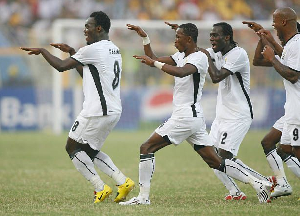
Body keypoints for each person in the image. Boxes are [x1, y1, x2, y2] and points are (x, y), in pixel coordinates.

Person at [119, 22, 272, 205]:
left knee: (146, 148)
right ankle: (258, 183)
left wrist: (156, 64)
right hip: (193, 118)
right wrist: (145, 37)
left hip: (185, 116)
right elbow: (153, 58)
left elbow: (182, 72)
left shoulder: (199, 57)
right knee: (216, 161)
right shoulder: (182, 55)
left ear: (189, 39)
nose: (175, 40)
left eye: (178, 37)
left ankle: (143, 198)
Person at [20, 11, 134, 203]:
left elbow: (61, 66)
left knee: (72, 147)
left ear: (99, 28)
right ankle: (123, 182)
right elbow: (90, 75)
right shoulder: (113, 49)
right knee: (89, 150)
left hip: (97, 110)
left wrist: (43, 51)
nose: (85, 30)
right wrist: (73, 52)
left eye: (88, 26)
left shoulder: (93, 49)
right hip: (112, 110)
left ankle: (100, 188)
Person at [165, 21, 275, 201]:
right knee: (213, 156)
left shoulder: (238, 54)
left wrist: (205, 55)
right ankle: (237, 191)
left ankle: (263, 182)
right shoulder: (215, 53)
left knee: (224, 156)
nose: (212, 38)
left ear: (227, 37)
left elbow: (216, 76)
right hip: (222, 113)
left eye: (215, 35)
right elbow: (199, 50)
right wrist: (186, 35)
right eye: (210, 35)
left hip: (238, 114)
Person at [243, 7, 300, 198]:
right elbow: (259, 61)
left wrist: (272, 59)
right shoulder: (291, 45)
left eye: (275, 21)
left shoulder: (298, 44)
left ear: (284, 22)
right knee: (278, 145)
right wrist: (264, 38)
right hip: (292, 107)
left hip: (298, 109)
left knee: (295, 150)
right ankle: (283, 184)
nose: (273, 24)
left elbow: (292, 75)